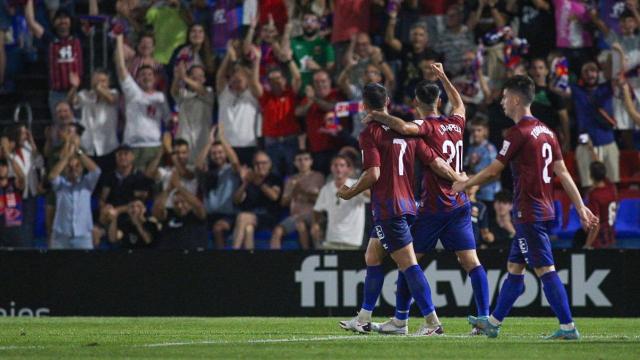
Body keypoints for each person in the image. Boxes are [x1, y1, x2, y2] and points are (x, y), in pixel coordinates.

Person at [453, 75, 599, 339]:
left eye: (505, 97)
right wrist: (580, 207)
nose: (502, 102)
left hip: (529, 211)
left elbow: (494, 171)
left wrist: (465, 184)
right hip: (539, 209)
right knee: (515, 268)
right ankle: (493, 323)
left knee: (545, 270)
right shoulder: (546, 131)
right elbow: (563, 173)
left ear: (517, 99)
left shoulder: (517, 133)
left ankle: (568, 328)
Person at [362, 64, 490, 336]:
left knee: (409, 263)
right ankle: (484, 318)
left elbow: (405, 128)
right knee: (472, 263)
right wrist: (445, 76)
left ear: (415, 102)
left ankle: (401, 320)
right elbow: (460, 103)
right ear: (439, 100)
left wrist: (377, 115)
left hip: (433, 207)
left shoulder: (424, 125)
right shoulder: (456, 122)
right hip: (459, 204)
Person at [337, 82, 464, 336]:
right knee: (372, 256)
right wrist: (459, 178)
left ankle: (432, 322)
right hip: (408, 204)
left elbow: (373, 173)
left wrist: (350, 192)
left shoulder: (369, 133)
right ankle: (364, 318)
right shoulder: (408, 132)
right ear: (388, 104)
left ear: (364, 105)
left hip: (389, 207)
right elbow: (435, 161)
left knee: (409, 264)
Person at [115, 33, 170, 171]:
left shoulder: (161, 97)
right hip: (132, 146)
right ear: (137, 79)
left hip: (154, 146)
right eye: (142, 75)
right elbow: (121, 68)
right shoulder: (132, 92)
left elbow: (169, 120)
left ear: (155, 79)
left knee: (153, 186)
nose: (146, 77)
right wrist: (119, 38)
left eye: (150, 74)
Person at [25, 0, 83, 116]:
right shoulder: (49, 39)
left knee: (76, 127)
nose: (62, 21)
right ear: (54, 22)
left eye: (65, 17)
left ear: (71, 21)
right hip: (57, 93)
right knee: (60, 128)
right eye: (59, 18)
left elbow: (93, 19)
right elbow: (31, 23)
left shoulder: (78, 38)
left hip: (77, 91)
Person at [253, 48, 303, 177]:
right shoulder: (266, 97)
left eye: (278, 78)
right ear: (268, 83)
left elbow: (297, 78)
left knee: (293, 173)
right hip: (271, 142)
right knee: (273, 175)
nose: (276, 82)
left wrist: (289, 60)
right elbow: (254, 83)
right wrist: (257, 60)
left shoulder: (290, 94)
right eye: (272, 80)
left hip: (290, 139)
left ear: (285, 80)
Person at [570, 61, 619, 190]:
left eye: (593, 71)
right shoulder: (576, 90)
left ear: (598, 73)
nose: (590, 74)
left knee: (612, 184)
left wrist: (615, 54)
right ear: (581, 75)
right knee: (588, 184)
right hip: (584, 141)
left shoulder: (606, 88)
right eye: (586, 71)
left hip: (608, 140)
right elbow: (556, 88)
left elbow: (617, 75)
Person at [48, 139, 102, 249]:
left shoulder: (87, 184)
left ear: (82, 168)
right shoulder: (60, 184)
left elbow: (97, 171)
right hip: (61, 235)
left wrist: (78, 152)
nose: (73, 169)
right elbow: (52, 176)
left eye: (77, 166)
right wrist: (67, 157)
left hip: (83, 236)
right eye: (70, 167)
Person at [196, 126, 241, 250]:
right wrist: (209, 143)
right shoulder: (208, 171)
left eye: (220, 152)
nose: (217, 156)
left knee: (218, 228)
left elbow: (236, 162)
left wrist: (222, 139)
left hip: (227, 215)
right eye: (214, 153)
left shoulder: (231, 170)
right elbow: (198, 165)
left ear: (225, 154)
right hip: (208, 215)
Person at [216, 41, 261, 166]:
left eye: (240, 79)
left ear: (247, 80)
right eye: (233, 78)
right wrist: (228, 56)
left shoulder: (252, 95)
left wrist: (256, 62)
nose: (236, 81)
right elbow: (220, 76)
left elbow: (255, 82)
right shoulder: (224, 93)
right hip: (224, 144)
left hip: (247, 145)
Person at [68, 68, 120, 175]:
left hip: (108, 146)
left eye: (103, 81)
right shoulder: (84, 94)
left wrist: (99, 88)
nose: (99, 84)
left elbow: (111, 100)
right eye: (96, 81)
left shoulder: (114, 93)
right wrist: (74, 87)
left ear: (108, 82)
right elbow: (71, 102)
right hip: (88, 147)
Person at [270, 150, 324, 250]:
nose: (303, 162)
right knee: (277, 231)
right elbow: (283, 202)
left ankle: (311, 254)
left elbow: (321, 200)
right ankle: (275, 260)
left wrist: (302, 192)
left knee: (303, 226)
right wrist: (292, 192)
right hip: (296, 216)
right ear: (295, 163)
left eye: (306, 159)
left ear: (311, 161)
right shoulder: (290, 179)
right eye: (299, 160)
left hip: (313, 214)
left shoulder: (318, 176)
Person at [311, 155, 367, 250]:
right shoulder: (326, 189)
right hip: (332, 239)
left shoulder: (357, 185)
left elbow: (372, 196)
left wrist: (355, 189)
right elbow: (317, 209)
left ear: (348, 168)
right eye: (335, 165)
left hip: (352, 240)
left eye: (342, 165)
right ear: (331, 168)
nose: (338, 168)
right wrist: (315, 224)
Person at [232, 151, 282, 250]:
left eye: (263, 163)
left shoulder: (275, 179)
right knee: (248, 229)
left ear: (270, 164)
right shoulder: (248, 179)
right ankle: (251, 261)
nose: (260, 166)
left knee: (242, 217)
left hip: (267, 215)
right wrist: (245, 183)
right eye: (257, 163)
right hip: (251, 215)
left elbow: (274, 196)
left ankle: (233, 253)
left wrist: (258, 183)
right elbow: (236, 200)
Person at [171, 63, 215, 163]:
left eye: (200, 76)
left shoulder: (209, 91)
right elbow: (173, 92)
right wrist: (178, 77)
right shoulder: (184, 93)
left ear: (204, 79)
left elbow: (201, 90)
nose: (196, 78)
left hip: (202, 140)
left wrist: (185, 78)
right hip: (184, 140)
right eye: (193, 75)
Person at [153, 175, 208, 250]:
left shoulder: (196, 216)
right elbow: (157, 208)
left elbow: (198, 206)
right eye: (176, 203)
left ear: (189, 202)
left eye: (183, 202)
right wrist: (168, 190)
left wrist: (179, 186)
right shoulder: (169, 214)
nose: (179, 206)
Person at [290, 11, 335, 89]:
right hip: (299, 91)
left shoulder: (325, 44)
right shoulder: (293, 42)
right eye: (306, 20)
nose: (309, 24)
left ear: (318, 24)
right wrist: (287, 31)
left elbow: (331, 72)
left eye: (313, 21)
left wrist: (317, 68)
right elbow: (283, 55)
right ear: (301, 23)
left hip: (319, 91)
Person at [464, 117, 501, 209]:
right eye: (473, 131)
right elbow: (470, 168)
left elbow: (496, 174)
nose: (475, 133)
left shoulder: (490, 149)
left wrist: (478, 184)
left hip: (490, 194)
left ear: (485, 131)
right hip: (475, 194)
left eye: (479, 130)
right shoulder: (470, 149)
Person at [584, 161, 618, 249]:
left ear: (591, 176)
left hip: (599, 241)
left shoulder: (594, 194)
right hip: (611, 237)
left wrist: (587, 245)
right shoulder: (612, 187)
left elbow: (596, 223)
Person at [0, 140, 26, 247]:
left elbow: (22, 176)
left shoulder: (14, 184)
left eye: (3, 165)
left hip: (13, 230)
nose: (1, 168)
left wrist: (8, 156)